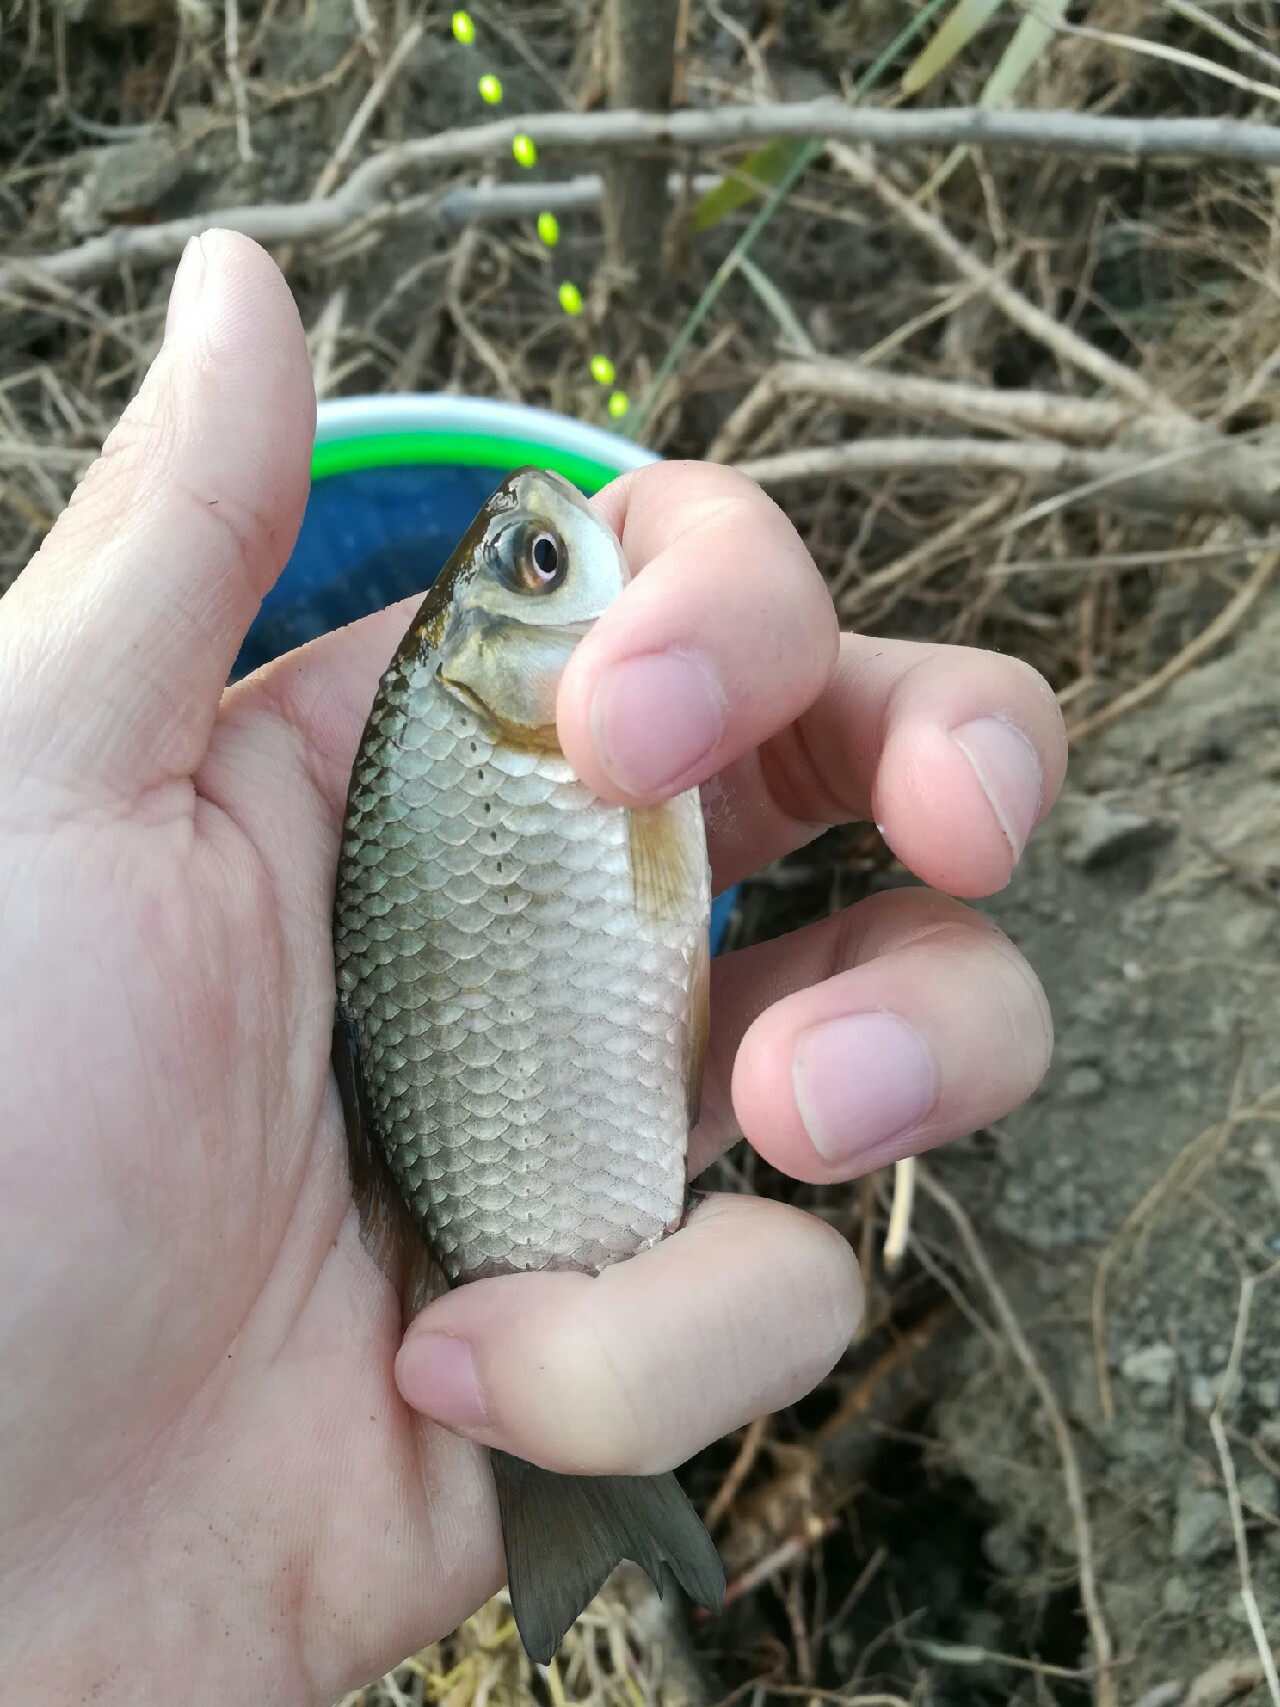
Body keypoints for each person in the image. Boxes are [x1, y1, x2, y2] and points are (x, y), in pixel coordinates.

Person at [0, 231, 1066, 1702]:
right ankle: (568, 1488)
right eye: (543, 567)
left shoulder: (546, 741)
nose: (564, 556)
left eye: (541, 562)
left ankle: (568, 1482)